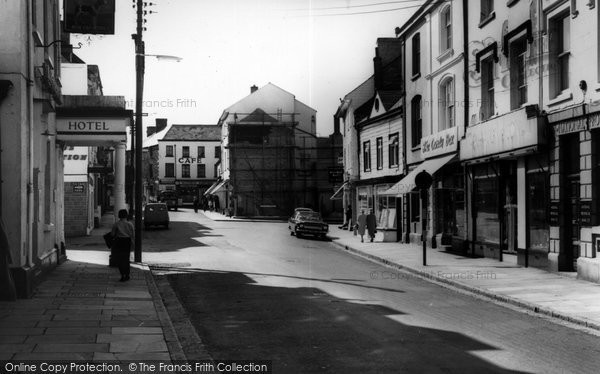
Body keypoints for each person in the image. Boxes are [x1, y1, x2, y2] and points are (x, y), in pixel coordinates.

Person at [110, 209, 134, 282]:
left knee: (120, 259)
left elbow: (112, 234)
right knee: (126, 258)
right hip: (127, 241)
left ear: (119, 215)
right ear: (126, 215)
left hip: (119, 241)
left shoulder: (116, 224)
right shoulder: (130, 224)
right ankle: (127, 274)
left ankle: (122, 275)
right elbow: (133, 234)